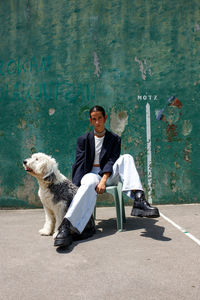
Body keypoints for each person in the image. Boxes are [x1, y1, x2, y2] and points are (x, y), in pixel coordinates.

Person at [54, 105, 160, 247]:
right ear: (91, 121)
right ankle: (66, 226)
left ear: (105, 118)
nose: (97, 122)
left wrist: (104, 180)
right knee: (89, 180)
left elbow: (112, 160)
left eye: (99, 118)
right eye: (94, 119)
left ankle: (139, 199)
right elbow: (78, 164)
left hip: (109, 175)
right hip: (91, 175)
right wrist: (76, 188)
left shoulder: (114, 139)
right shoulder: (83, 140)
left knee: (126, 157)